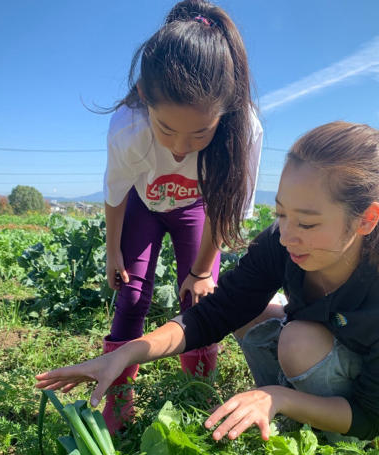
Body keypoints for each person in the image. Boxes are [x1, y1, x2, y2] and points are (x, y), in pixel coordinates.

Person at [36, 121, 379, 443]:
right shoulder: (283, 242)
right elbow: (214, 315)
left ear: (367, 220)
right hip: (334, 342)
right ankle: (287, 406)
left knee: (299, 342)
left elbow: (376, 416)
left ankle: (315, 430)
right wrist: (125, 354)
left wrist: (278, 397)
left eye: (307, 223)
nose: (287, 234)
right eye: (281, 214)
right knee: (247, 311)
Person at [94, 0, 262, 432]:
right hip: (142, 206)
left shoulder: (244, 130)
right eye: (166, 130)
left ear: (223, 115)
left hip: (198, 211)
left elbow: (226, 210)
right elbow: (115, 195)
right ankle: (117, 396)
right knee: (131, 295)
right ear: (146, 101)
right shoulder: (127, 126)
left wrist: (203, 270)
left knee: (199, 298)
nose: (181, 149)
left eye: (200, 133)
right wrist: (114, 252)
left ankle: (197, 396)